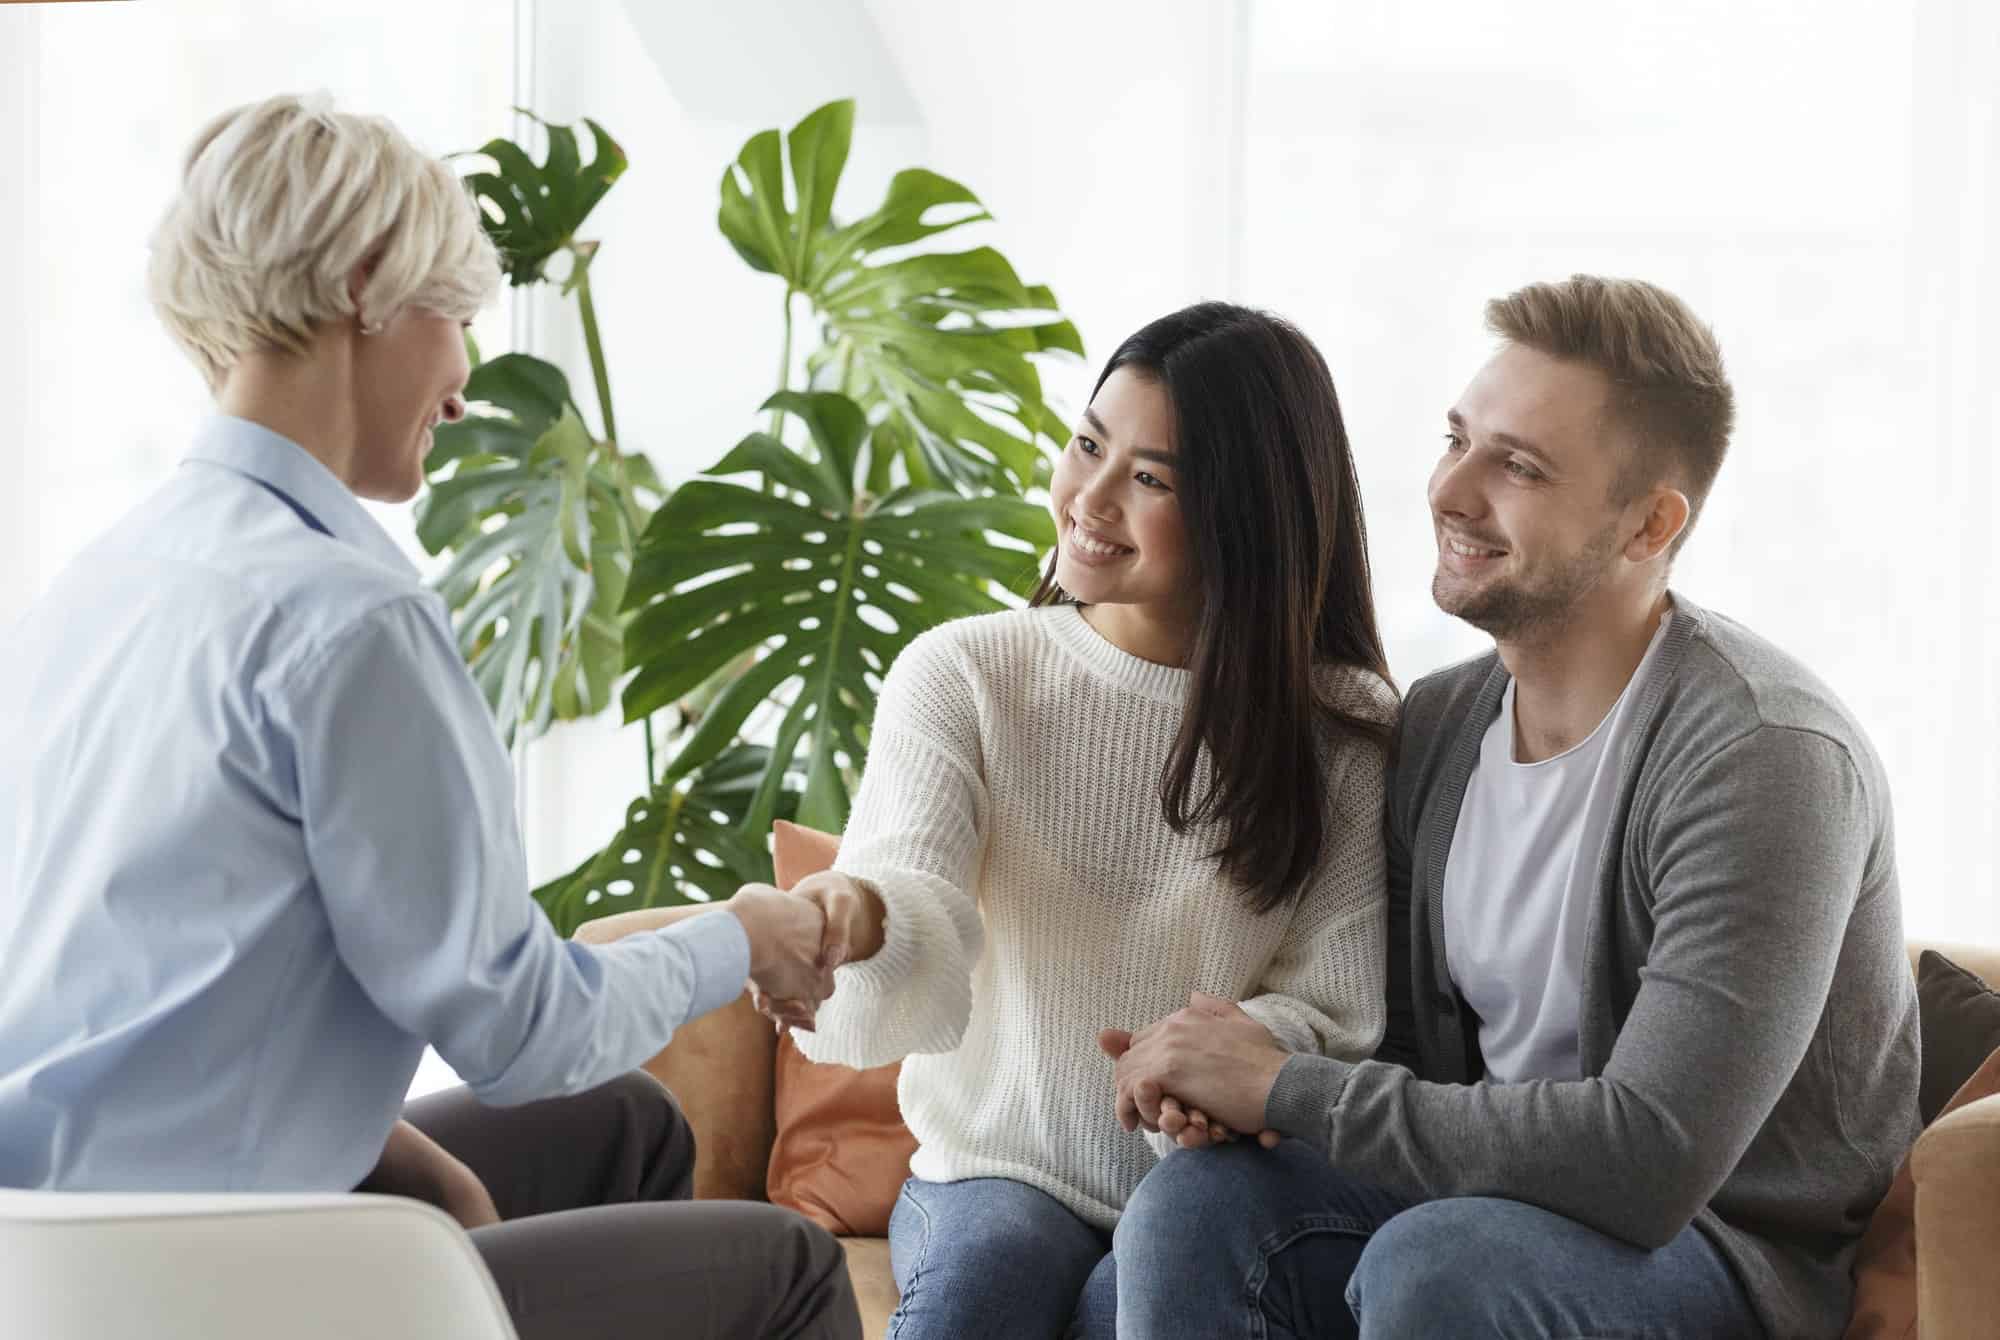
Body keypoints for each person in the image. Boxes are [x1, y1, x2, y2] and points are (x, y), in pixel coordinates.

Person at [0, 93, 861, 1340]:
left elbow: (160, 988)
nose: (462, 385)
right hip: (222, 1283)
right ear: (363, 286)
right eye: (453, 317)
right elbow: (519, 1030)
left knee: (622, 1121)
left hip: (52, 1259)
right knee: (781, 1267)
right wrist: (741, 934)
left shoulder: (104, 576)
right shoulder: (348, 616)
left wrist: (398, 1155)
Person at [1106, 275, 1920, 1339]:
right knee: (1195, 1203)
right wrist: (1230, 1067)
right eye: (1456, 439)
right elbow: (1400, 1052)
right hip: (1481, 1210)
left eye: (1518, 466)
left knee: (1440, 1263)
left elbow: (1648, 1157)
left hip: (1721, 1251)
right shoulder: (1441, 721)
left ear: (1648, 524)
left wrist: (1285, 1088)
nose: (1451, 490)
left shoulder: (1764, 757)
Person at [761, 301, 1399, 1339]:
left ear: (1247, 512)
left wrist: (1223, 1066)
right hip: (992, 1170)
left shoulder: (1343, 727)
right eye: (1087, 444)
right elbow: (911, 891)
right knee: (985, 1283)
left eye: (1151, 478)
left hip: (1210, 1185)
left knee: (1137, 1293)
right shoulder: (965, 672)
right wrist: (855, 912)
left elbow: (1332, 1003)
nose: (1088, 499)